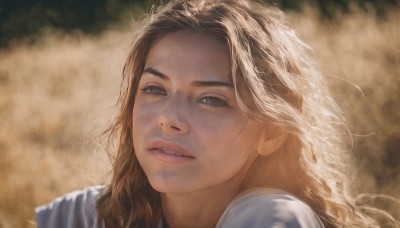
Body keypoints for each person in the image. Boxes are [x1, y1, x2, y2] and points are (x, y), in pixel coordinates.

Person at [35, 0, 383, 227]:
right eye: (155, 89)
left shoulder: (272, 217)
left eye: (211, 100)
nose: (168, 117)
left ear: (272, 133)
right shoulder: (82, 216)